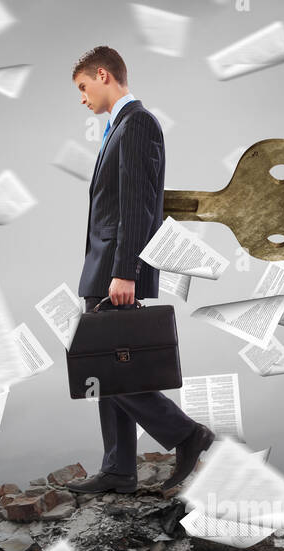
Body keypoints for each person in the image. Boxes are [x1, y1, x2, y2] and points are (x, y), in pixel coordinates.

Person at [65, 45, 214, 495]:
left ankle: (186, 435)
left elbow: (138, 205)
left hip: (116, 269)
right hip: (103, 267)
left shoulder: (138, 125)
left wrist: (126, 270)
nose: (82, 97)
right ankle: (119, 470)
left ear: (104, 75)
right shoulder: (119, 129)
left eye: (83, 87)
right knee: (107, 369)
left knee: (109, 371)